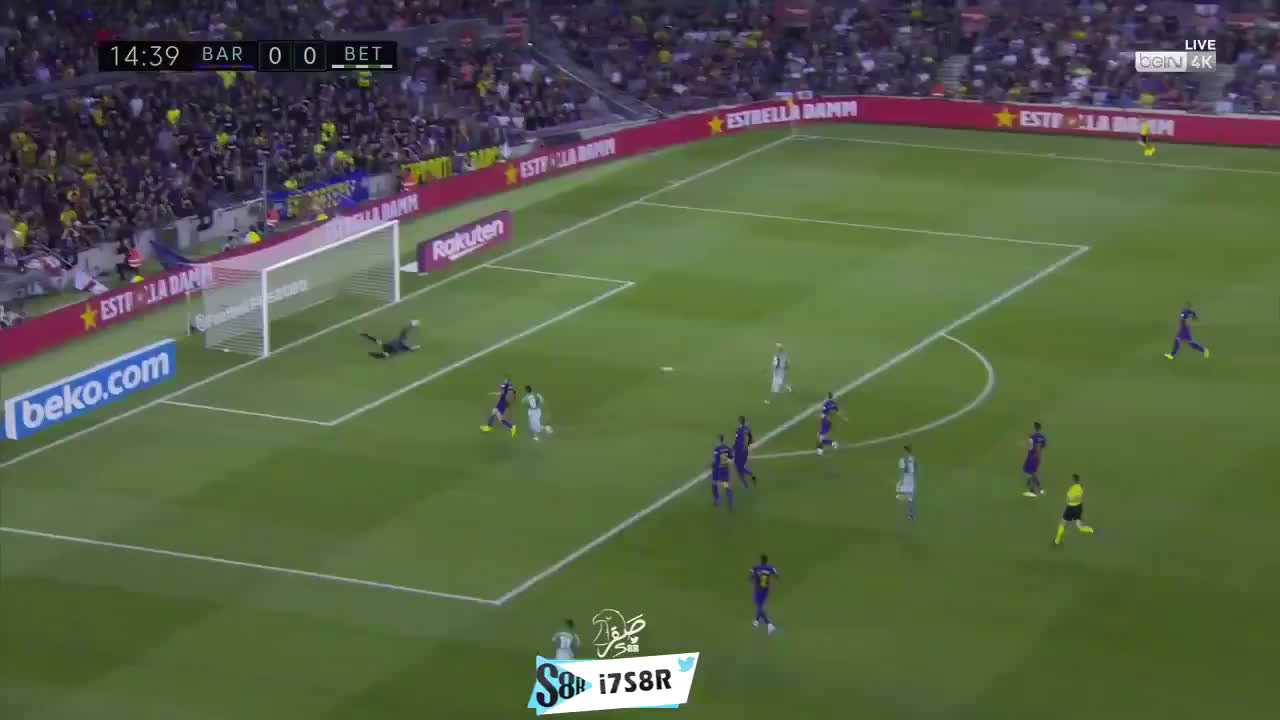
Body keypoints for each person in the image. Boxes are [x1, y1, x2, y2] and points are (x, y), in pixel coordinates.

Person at [1054, 474, 1095, 545]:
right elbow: (1079, 498)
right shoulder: (1080, 487)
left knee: (1062, 523)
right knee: (1079, 526)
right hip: (1079, 507)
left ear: (1073, 480)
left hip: (1070, 508)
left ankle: (1057, 539)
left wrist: (1070, 499)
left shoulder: (1072, 488)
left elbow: (1069, 499)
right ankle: (1090, 529)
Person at [749, 554, 779, 634]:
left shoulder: (756, 567)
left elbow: (751, 575)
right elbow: (776, 575)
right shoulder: (770, 568)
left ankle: (769, 624)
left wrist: (752, 578)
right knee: (760, 606)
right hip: (766, 590)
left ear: (761, 560)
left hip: (758, 589)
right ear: (766, 561)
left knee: (759, 606)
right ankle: (756, 621)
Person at [1022, 421, 1047, 497]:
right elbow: (1043, 446)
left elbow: (1029, 448)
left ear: (1034, 427)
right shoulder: (1043, 437)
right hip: (1038, 457)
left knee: (1028, 473)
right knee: (1033, 473)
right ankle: (1039, 489)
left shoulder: (1032, 437)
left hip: (1031, 457)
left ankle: (1033, 490)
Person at [711, 434, 734, 510]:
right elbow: (731, 458)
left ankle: (717, 499)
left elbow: (715, 459)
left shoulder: (717, 448)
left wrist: (712, 465)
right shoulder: (727, 447)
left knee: (714, 483)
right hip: (725, 468)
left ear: (718, 440)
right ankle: (730, 504)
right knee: (726, 485)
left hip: (717, 469)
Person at [733, 415, 757, 487]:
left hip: (740, 450)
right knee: (740, 467)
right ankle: (750, 476)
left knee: (739, 468)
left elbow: (744, 438)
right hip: (742, 450)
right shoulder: (746, 428)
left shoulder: (741, 429)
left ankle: (745, 484)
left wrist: (744, 447)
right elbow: (751, 439)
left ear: (739, 421)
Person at [897, 445, 916, 520]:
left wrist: (901, 482)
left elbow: (903, 471)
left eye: (904, 451)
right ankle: (910, 514)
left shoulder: (902, 460)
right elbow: (915, 469)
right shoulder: (912, 459)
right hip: (911, 480)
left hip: (906, 481)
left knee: (904, 498)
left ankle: (909, 514)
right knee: (909, 498)